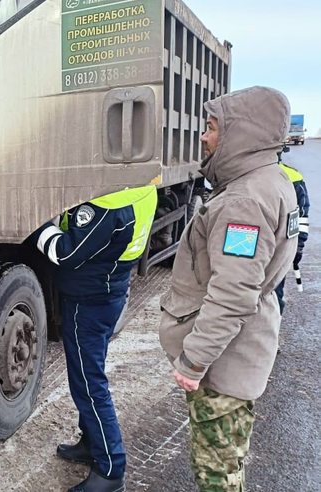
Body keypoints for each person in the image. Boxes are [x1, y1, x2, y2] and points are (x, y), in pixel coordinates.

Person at [159, 86, 298, 492]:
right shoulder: (270, 180)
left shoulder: (244, 202)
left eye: (212, 128)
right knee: (228, 463)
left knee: (217, 473)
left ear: (242, 134)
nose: (204, 137)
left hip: (225, 364)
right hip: (243, 349)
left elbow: (233, 294)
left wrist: (193, 362)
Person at [33, 184, 157, 492]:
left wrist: (37, 224)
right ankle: (91, 442)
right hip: (107, 290)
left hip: (88, 302)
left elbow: (65, 253)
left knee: (89, 386)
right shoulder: (144, 188)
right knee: (90, 377)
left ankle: (111, 468)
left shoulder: (107, 204)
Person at [275, 147, 310, 313]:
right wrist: (298, 248)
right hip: (279, 249)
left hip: (246, 247)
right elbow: (301, 217)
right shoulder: (293, 176)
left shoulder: (243, 174)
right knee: (273, 296)